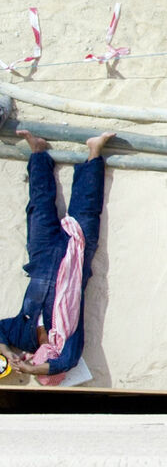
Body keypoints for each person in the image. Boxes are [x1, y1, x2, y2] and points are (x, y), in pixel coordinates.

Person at [0, 127, 114, 384]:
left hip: (41, 259)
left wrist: (6, 352)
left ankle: (38, 151)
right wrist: (31, 373)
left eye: (39, 365)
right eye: (46, 369)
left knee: (39, 205)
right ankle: (94, 151)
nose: (43, 363)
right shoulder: (68, 342)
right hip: (77, 259)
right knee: (87, 207)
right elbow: (65, 363)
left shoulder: (23, 335)